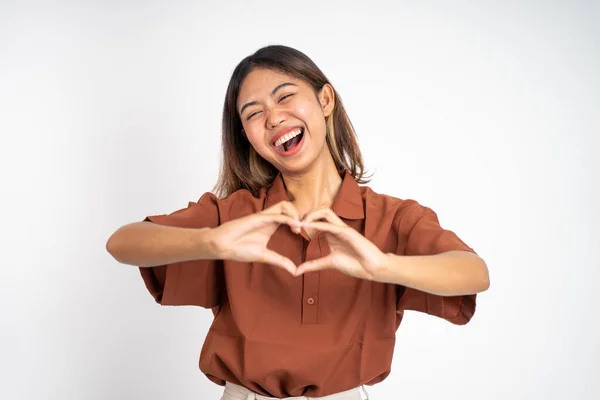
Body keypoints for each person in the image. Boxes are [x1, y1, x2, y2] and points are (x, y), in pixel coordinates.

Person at [106, 45, 490, 400]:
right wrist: (211, 242)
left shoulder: (392, 218)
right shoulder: (235, 217)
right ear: (248, 137)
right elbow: (123, 242)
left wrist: (381, 265)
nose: (273, 118)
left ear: (325, 100)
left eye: (285, 96)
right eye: (253, 113)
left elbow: (474, 273)